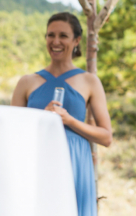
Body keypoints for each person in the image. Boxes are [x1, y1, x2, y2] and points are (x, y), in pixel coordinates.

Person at [12, 12, 112, 216]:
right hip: (36, 162)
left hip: (74, 163)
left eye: (63, 36)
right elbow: (13, 133)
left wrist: (69, 120)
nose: (55, 41)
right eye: (50, 35)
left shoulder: (90, 81)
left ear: (76, 40)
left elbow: (106, 137)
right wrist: (40, 120)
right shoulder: (26, 82)